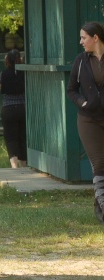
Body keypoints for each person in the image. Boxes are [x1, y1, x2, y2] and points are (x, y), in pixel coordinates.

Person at [67, 22, 104, 224]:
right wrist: (83, 102)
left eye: (84, 38)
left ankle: (99, 204)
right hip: (88, 118)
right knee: (99, 163)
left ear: (95, 38)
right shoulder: (80, 61)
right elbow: (71, 89)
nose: (81, 42)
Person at [0, 49, 27, 168]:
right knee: (23, 136)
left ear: (7, 60)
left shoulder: (4, 74)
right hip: (23, 107)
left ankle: (14, 165)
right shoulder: (24, 73)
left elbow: (0, 87)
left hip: (8, 108)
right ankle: (24, 164)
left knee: (11, 137)